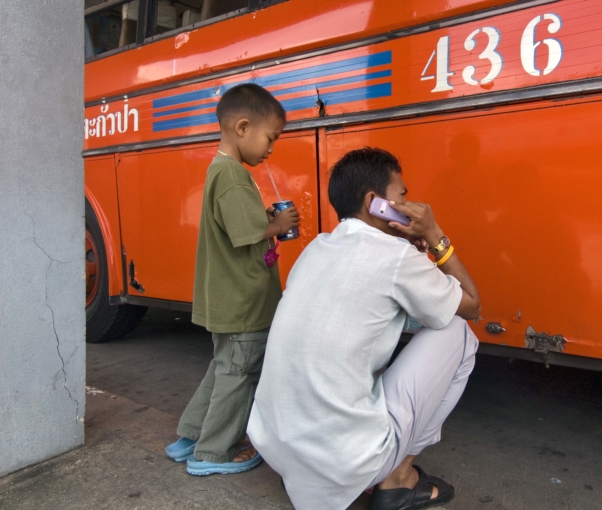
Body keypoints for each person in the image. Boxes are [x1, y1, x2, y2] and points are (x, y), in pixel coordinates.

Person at [248, 147, 482, 509]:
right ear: (375, 203)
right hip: (341, 463)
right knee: (459, 334)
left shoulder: (317, 248)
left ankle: (320, 471)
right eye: (402, 195)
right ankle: (398, 479)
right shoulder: (396, 257)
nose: (409, 204)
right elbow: (471, 304)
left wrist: (405, 245)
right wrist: (435, 235)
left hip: (280, 450)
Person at [164, 83, 300, 476]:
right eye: (270, 138)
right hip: (244, 303)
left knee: (224, 368)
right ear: (242, 128)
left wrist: (266, 220)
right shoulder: (234, 176)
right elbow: (248, 233)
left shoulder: (219, 170)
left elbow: (239, 226)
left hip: (227, 300)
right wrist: (279, 224)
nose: (271, 150)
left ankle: (192, 435)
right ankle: (214, 452)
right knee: (240, 374)